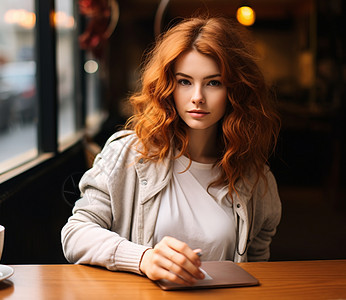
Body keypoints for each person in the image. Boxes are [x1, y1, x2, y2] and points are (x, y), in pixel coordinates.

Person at [61, 16, 281, 286]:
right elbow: (75, 233)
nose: (197, 96)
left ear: (234, 91)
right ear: (168, 86)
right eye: (185, 81)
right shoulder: (128, 155)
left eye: (213, 82)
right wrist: (143, 259)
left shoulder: (256, 179)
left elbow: (258, 265)